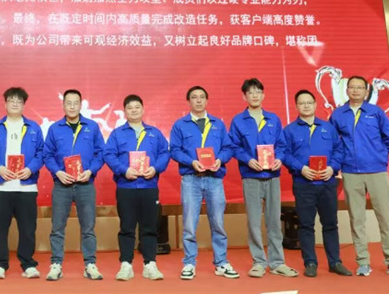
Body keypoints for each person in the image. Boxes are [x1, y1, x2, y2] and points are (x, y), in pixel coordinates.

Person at [329, 75, 389, 278]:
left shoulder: (376, 112)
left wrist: (378, 154)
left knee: (385, 217)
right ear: (346, 90)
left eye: (360, 87)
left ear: (366, 91)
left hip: (376, 171)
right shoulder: (338, 114)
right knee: (357, 219)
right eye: (352, 87)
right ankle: (363, 261)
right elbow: (333, 142)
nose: (355, 90)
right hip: (350, 172)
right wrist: (341, 160)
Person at [229, 78, 297, 278]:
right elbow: (233, 146)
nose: (255, 95)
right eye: (250, 92)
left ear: (263, 95)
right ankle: (258, 262)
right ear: (244, 97)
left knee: (274, 221)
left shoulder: (273, 119)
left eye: (258, 91)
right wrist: (248, 160)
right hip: (251, 176)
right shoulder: (238, 121)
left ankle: (277, 262)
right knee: (253, 222)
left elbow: (281, 146)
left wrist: (279, 159)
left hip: (272, 176)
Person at [169, 85, 239, 280]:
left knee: (218, 223)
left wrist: (220, 160)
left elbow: (228, 148)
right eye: (194, 97)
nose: (198, 100)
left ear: (207, 101)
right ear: (188, 101)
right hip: (191, 179)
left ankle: (221, 262)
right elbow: (174, 150)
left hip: (214, 179)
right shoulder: (180, 125)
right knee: (189, 224)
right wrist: (191, 162)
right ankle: (189, 263)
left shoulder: (218, 124)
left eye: (202, 97)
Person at [283, 89, 352, 277]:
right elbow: (284, 154)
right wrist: (301, 168)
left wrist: (333, 167)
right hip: (303, 184)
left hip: (327, 183)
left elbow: (339, 150)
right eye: (302, 103)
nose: (306, 106)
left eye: (309, 102)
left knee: (330, 224)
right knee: (306, 225)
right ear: (296, 106)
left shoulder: (328, 128)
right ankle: (310, 262)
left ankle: (335, 262)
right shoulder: (289, 130)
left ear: (315, 104)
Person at [103, 94, 170, 281]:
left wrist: (155, 168)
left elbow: (165, 153)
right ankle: (126, 264)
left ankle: (150, 264)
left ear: (143, 109)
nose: (133, 110)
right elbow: (108, 154)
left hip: (149, 186)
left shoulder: (154, 133)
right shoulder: (117, 133)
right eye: (130, 108)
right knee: (127, 227)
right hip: (126, 187)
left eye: (137, 107)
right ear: (124, 111)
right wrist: (123, 170)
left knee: (150, 227)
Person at [43, 89, 105, 281]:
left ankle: (90, 264)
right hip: (62, 184)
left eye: (75, 103)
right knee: (57, 227)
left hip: (85, 184)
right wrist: (57, 172)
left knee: (88, 227)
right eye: (68, 103)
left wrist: (91, 171)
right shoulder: (54, 128)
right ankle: (56, 264)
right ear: (63, 105)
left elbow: (101, 153)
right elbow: (47, 155)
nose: (72, 106)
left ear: (81, 105)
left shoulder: (92, 127)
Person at [0, 87, 44, 280]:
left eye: (19, 101)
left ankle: (28, 264)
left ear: (24, 105)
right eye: (11, 100)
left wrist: (31, 169)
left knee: (27, 229)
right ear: (5, 104)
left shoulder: (34, 127)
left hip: (27, 186)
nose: (15, 104)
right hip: (1, 186)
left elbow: (41, 153)